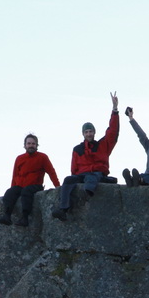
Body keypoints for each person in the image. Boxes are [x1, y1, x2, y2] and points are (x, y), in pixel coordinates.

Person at [52, 92, 120, 221]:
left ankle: (89, 191)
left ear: (94, 132)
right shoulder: (77, 149)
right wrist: (74, 179)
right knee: (68, 180)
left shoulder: (103, 145)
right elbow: (74, 169)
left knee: (92, 176)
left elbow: (113, 131)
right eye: (86, 132)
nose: (89, 134)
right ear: (83, 133)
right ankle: (63, 209)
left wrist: (115, 110)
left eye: (91, 131)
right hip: (81, 175)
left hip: (97, 173)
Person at [0, 133, 60, 226]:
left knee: (26, 192)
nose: (31, 145)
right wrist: (13, 188)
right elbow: (15, 175)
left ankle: (25, 218)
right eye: (29, 143)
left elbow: (51, 172)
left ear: (36, 145)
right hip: (20, 185)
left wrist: (58, 187)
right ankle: (7, 215)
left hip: (35, 185)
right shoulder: (19, 158)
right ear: (25, 145)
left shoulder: (42, 157)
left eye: (33, 143)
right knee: (9, 192)